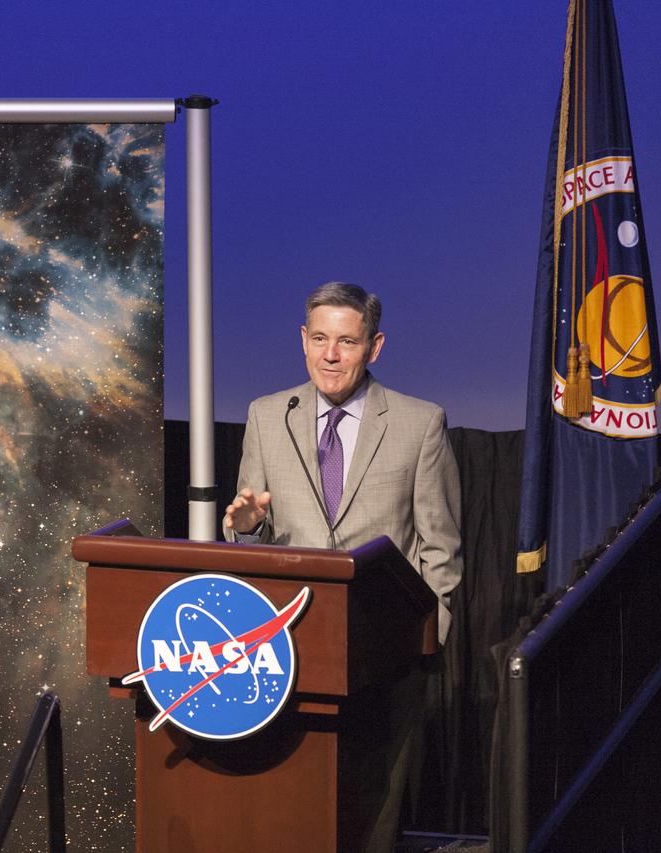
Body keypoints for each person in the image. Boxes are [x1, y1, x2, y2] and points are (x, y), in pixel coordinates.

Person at [223, 281, 463, 852]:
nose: (331, 355)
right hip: (288, 649)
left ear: (373, 347)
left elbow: (441, 548)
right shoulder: (266, 415)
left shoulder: (419, 422)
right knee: (294, 803)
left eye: (347, 341)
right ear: (303, 341)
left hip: (385, 650)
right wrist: (247, 525)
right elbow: (248, 540)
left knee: (372, 809)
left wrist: (429, 640)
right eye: (321, 339)